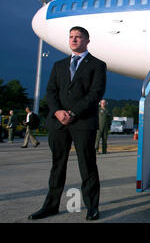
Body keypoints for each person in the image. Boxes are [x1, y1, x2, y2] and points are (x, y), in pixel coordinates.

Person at [28, 26, 106, 221]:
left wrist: (72, 112)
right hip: (58, 123)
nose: (73, 40)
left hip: (83, 122)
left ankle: (92, 207)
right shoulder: (58, 65)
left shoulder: (98, 65)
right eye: (71, 37)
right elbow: (51, 92)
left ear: (87, 41)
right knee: (57, 166)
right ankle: (51, 205)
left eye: (78, 37)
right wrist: (57, 111)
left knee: (87, 166)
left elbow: (95, 93)